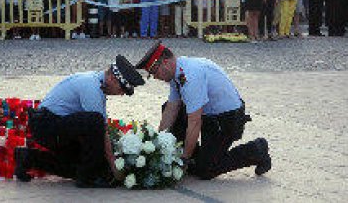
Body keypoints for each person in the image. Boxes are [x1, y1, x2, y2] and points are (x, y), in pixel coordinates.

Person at [136, 41, 271, 180]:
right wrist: (157, 143)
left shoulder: (190, 76)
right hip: (210, 116)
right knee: (167, 107)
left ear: (165, 63)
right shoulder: (177, 72)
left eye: (154, 72)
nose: (155, 77)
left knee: (206, 170)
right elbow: (172, 108)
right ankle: (192, 153)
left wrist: (185, 160)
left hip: (226, 120)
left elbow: (195, 121)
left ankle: (256, 149)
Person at [15, 55, 145, 188]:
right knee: (95, 121)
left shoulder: (97, 84)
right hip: (47, 126)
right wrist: (114, 167)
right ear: (112, 78)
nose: (121, 94)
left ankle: (29, 158)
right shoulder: (92, 87)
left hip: (54, 126)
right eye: (121, 89)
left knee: (77, 167)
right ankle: (89, 177)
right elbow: (100, 130)